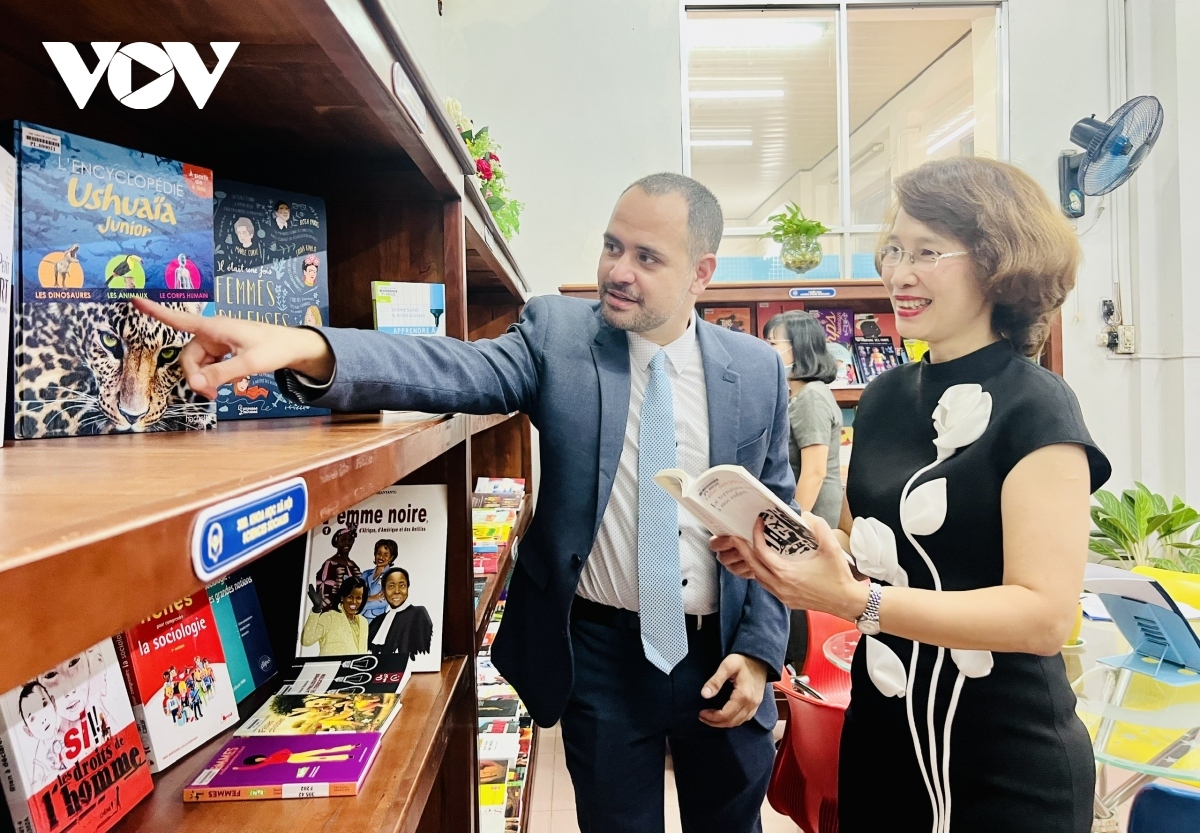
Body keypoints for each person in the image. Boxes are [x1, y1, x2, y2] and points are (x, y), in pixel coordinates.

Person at [132, 172, 791, 833]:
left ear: (701, 273)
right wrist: (308, 347)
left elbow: (778, 521)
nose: (618, 270)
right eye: (612, 246)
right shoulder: (559, 334)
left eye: (647, 257)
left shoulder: (757, 371)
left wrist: (762, 650)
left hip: (722, 655)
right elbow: (449, 368)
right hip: (600, 660)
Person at [712, 158, 1111, 833]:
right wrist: (783, 553)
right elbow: (858, 542)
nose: (899, 273)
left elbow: (1043, 615)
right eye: (894, 249)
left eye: (927, 252)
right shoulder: (885, 397)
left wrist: (857, 602)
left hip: (1006, 760)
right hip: (881, 738)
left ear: (998, 262)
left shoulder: (1037, 406)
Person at [763, 310, 842, 671]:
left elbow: (813, 471)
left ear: (800, 348)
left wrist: (791, 526)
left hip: (811, 517)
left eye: (774, 343)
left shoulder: (811, 397)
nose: (768, 349)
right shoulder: (798, 395)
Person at [367, 567, 434, 674]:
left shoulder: (418, 613)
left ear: (407, 588)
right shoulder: (377, 622)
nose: (397, 591)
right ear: (383, 591)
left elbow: (424, 654)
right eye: (391, 586)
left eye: (402, 585)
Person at [301, 575, 370, 656]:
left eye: (358, 598)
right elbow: (306, 640)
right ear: (342, 597)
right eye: (350, 597)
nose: (354, 602)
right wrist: (316, 609)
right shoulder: (329, 617)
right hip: (331, 665)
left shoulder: (363, 622)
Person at [313, 526, 362, 611]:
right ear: (336, 542)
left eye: (349, 540)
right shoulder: (330, 563)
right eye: (343, 540)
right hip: (334, 610)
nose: (346, 543)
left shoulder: (353, 565)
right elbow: (323, 588)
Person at [362, 538, 399, 621]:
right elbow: (356, 594)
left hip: (377, 620)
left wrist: (361, 602)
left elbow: (382, 602)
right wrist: (372, 597)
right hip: (359, 618)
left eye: (385, 555)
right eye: (379, 553)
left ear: (391, 558)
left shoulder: (391, 577)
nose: (381, 557)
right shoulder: (365, 574)